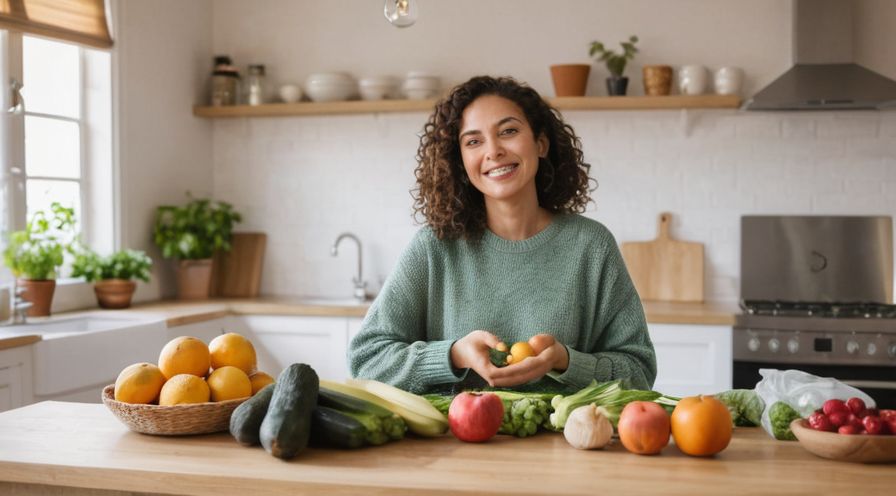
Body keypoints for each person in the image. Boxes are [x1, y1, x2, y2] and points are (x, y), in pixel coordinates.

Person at [348, 76, 656, 394]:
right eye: (473, 141)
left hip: (562, 443)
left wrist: (566, 362)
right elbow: (365, 360)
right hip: (451, 444)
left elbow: (640, 371)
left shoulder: (591, 245)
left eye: (508, 131)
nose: (494, 151)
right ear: (461, 161)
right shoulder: (434, 247)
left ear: (541, 143)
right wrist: (452, 356)